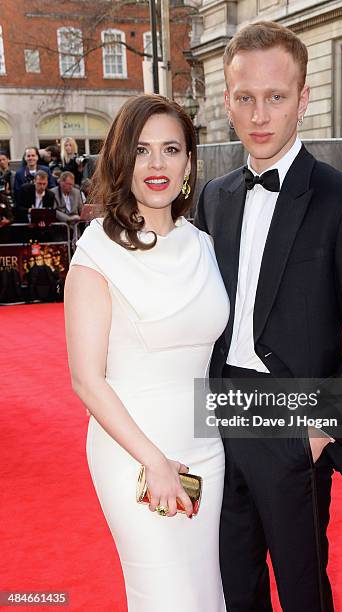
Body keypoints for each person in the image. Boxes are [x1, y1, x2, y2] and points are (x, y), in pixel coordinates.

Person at [195, 21, 342, 612]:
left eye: (276, 97)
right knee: (235, 578)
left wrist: (320, 428)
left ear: (302, 100)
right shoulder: (215, 195)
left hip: (295, 419)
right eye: (245, 97)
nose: (260, 114)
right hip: (224, 412)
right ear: (227, 100)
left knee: (303, 587)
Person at [64, 94, 229, 611]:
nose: (157, 165)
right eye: (141, 150)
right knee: (166, 598)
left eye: (171, 149)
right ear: (121, 161)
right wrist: (154, 460)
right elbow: (87, 380)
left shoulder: (201, 243)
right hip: (134, 454)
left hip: (206, 449)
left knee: (205, 595)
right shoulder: (96, 253)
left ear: (187, 162)